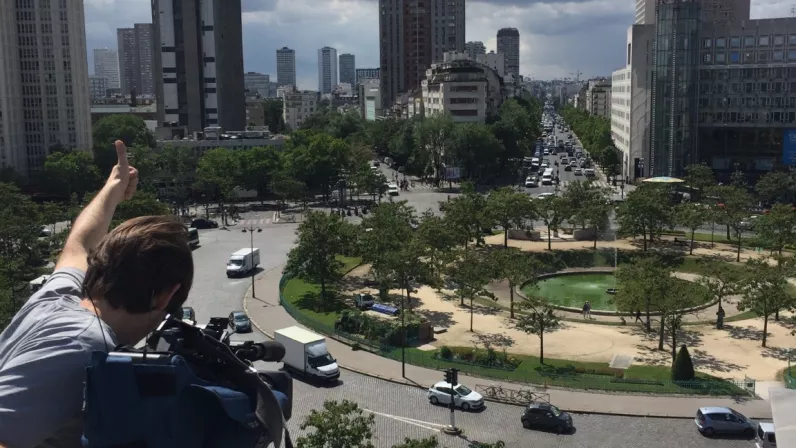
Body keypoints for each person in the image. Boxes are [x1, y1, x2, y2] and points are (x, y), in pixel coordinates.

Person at [0, 141, 195, 448]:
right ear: (166, 296)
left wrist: (114, 188)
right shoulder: (84, 348)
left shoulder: (59, 296)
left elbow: (79, 243)